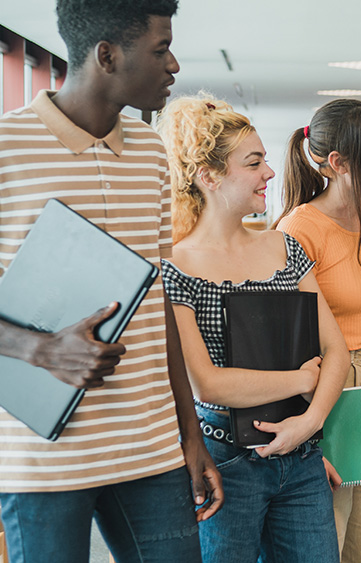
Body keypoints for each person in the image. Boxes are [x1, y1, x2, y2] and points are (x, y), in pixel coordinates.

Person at [0, 1, 223, 562]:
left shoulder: (150, 152)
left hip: (150, 450)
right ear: (107, 55)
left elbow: (161, 300)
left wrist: (189, 434)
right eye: (159, 48)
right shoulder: (6, 148)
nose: (173, 64)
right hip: (41, 459)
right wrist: (42, 349)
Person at [157, 94, 350, 563]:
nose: (269, 172)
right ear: (209, 176)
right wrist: (303, 380)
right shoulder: (174, 267)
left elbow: (337, 351)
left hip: (302, 457)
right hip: (224, 463)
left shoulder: (284, 247)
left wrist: (308, 423)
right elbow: (209, 382)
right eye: (254, 162)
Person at [275, 98, 361, 562]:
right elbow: (284, 338)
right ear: (338, 163)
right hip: (333, 390)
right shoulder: (300, 229)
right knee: (327, 537)